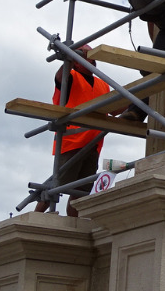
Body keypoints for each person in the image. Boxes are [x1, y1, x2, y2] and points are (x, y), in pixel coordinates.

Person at [36, 45, 110, 217]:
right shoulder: (70, 75)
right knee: (56, 185)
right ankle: (36, 217)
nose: (90, 57)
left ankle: (73, 224)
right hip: (71, 142)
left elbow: (113, 108)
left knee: (80, 193)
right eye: (84, 54)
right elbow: (60, 77)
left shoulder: (102, 84)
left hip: (93, 144)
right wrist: (68, 57)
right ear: (75, 62)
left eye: (90, 54)